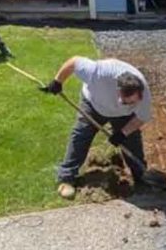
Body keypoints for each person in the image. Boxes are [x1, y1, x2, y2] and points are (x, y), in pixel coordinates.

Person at [42, 56, 152, 200]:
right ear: (117, 90)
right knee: (81, 135)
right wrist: (57, 81)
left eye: (131, 102)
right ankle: (66, 178)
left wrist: (123, 133)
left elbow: (141, 118)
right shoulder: (98, 73)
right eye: (124, 101)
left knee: (132, 141)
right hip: (93, 104)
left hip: (123, 115)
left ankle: (140, 176)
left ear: (140, 94)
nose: (126, 103)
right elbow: (74, 62)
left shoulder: (144, 96)